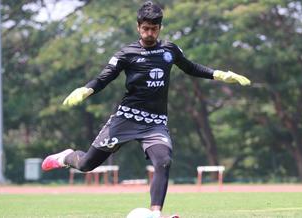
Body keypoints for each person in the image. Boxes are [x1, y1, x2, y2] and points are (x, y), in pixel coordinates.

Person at [41, 1, 250, 218]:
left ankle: (155, 214)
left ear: (160, 28)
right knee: (86, 165)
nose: (149, 33)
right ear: (138, 27)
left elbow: (190, 67)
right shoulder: (126, 54)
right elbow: (104, 77)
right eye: (145, 28)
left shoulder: (170, 50)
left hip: (155, 123)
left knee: (164, 161)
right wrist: (86, 90)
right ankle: (66, 157)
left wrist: (219, 74)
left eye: (154, 28)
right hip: (125, 119)